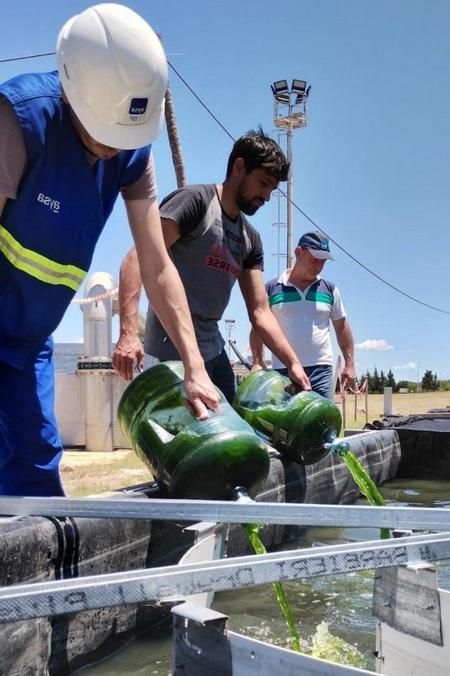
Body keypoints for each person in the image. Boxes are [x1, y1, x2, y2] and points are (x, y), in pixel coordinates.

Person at [0, 4, 220, 498]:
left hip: (28, 339)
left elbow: (157, 264)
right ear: (74, 89)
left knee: (36, 472)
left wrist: (195, 368)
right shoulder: (20, 120)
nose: (115, 149)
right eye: (107, 133)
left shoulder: (131, 153)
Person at [113, 129, 312, 403]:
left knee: (232, 432)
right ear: (239, 167)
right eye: (263, 183)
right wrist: (127, 333)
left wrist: (293, 363)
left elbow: (260, 311)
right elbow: (136, 259)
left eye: (272, 189)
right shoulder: (196, 203)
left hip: (213, 350)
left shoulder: (250, 239)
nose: (266, 196)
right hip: (170, 350)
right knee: (184, 442)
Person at [250, 230, 355, 400]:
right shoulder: (271, 288)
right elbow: (258, 327)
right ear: (298, 252)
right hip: (282, 371)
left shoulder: (330, 290)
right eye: (315, 259)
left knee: (323, 423)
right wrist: (257, 361)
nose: (319, 265)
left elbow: (342, 329)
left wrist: (349, 364)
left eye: (323, 261)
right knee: (285, 425)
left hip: (321, 371)